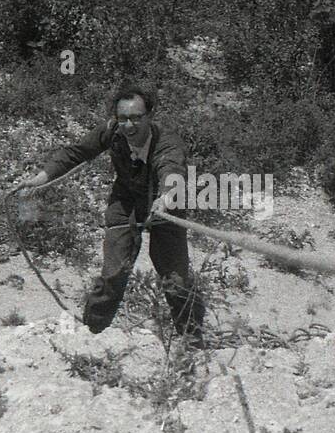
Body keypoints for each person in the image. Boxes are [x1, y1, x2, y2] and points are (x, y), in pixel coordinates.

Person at [14, 85, 204, 342]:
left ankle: (192, 340)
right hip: (125, 202)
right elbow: (76, 152)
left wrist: (166, 198)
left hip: (166, 204)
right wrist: (40, 178)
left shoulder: (168, 142)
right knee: (113, 272)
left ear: (150, 115)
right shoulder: (111, 131)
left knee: (175, 278)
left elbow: (172, 172)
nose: (129, 125)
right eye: (123, 118)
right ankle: (93, 334)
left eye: (136, 117)